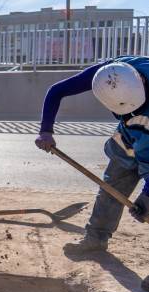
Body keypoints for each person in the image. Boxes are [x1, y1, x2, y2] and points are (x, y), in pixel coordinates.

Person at [35, 56, 149, 267]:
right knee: (111, 187)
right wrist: (46, 130)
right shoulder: (109, 73)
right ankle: (95, 239)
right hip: (128, 137)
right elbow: (56, 91)